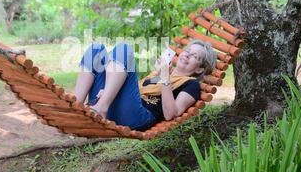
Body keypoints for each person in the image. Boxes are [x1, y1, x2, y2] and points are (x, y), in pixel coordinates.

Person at [74, 39, 217, 130]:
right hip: (120, 107)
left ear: (199, 69)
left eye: (194, 56)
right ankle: (75, 106)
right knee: (96, 49)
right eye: (188, 51)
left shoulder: (191, 85)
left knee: (124, 49)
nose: (187, 55)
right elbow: (132, 90)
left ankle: (101, 108)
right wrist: (106, 90)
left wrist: (165, 77)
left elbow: (170, 114)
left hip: (138, 116)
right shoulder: (157, 74)